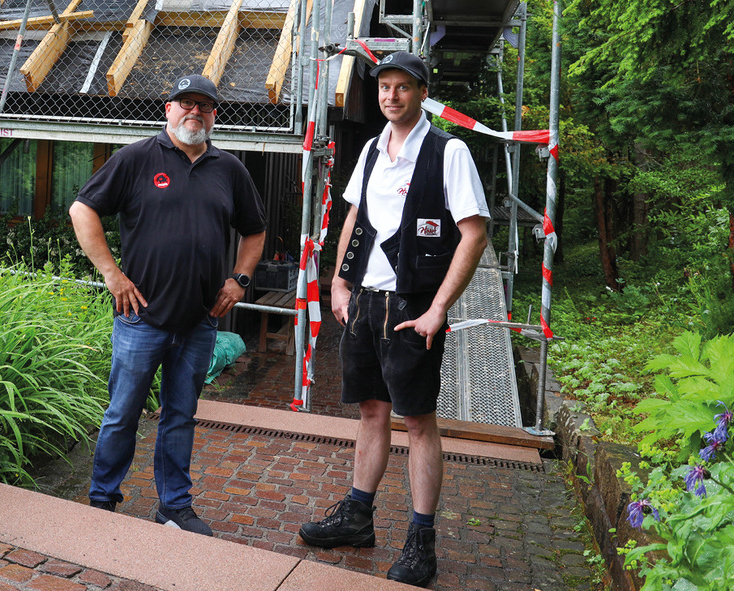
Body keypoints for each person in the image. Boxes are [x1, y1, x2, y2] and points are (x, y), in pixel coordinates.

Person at [298, 52, 489, 587]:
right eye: (385, 87)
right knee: (371, 412)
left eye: (403, 87)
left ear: (423, 93)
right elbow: (355, 218)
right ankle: (358, 518)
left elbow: (474, 232)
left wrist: (437, 310)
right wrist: (338, 280)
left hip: (412, 307)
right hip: (364, 302)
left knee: (420, 422)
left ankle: (421, 542)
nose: (391, 96)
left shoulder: (449, 152)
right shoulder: (370, 151)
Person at [69, 74, 266, 536]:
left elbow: (254, 230)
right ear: (168, 110)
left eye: (203, 105)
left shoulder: (229, 169)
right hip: (141, 320)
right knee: (122, 413)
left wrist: (240, 280)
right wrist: (111, 274)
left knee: (180, 416)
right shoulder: (137, 158)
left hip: (199, 321)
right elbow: (83, 209)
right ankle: (102, 499)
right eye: (185, 103)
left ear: (214, 114)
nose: (193, 111)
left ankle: (173, 507)